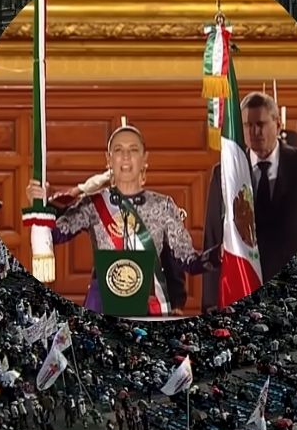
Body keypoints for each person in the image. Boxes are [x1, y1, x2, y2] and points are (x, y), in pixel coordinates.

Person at [25, 125, 218, 316]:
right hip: (103, 306)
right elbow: (54, 236)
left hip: (150, 310)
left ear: (144, 159)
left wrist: (221, 254)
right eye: (118, 150)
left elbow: (189, 262)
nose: (125, 156)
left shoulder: (164, 206)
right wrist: (38, 205)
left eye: (133, 150)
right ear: (108, 159)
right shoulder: (93, 205)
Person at [201, 92, 297, 311]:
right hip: (239, 288)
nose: (254, 132)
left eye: (260, 124)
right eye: (247, 125)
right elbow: (212, 239)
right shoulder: (223, 174)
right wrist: (211, 302)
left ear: (277, 124)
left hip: (291, 293)